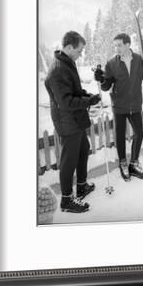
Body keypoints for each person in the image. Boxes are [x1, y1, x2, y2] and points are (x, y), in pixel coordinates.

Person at [44, 31, 101, 213]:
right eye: (79, 50)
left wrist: (87, 95)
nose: (80, 54)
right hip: (67, 121)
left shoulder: (68, 64)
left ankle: (82, 186)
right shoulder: (58, 70)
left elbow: (73, 91)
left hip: (75, 119)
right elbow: (66, 102)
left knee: (84, 150)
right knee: (68, 160)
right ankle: (67, 200)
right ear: (68, 47)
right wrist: (88, 102)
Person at [94, 33, 143, 181]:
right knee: (120, 136)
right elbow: (106, 86)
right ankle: (122, 163)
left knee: (139, 133)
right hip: (119, 105)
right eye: (115, 45)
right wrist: (101, 79)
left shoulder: (139, 60)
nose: (116, 48)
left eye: (119, 45)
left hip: (135, 104)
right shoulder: (111, 63)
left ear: (128, 44)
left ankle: (134, 163)